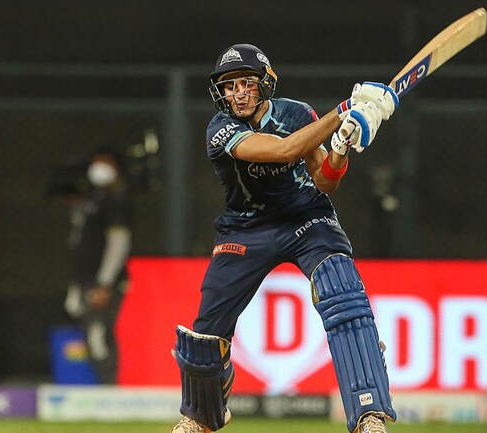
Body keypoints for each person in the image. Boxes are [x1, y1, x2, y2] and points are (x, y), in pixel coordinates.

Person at [170, 44, 399, 433]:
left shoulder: (297, 113)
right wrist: (345, 110)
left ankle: (368, 413)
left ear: (265, 85)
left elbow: (326, 180)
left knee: (343, 294)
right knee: (208, 327)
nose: (237, 93)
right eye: (228, 86)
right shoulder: (219, 129)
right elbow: (283, 150)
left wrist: (341, 146)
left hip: (306, 218)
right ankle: (200, 417)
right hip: (247, 228)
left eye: (246, 83)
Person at [62, 149, 132, 384]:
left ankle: (110, 391)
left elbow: (119, 243)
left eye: (104, 162)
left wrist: (105, 282)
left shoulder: (117, 199)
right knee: (92, 336)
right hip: (86, 280)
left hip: (102, 283)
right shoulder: (94, 199)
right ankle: (105, 389)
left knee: (99, 336)